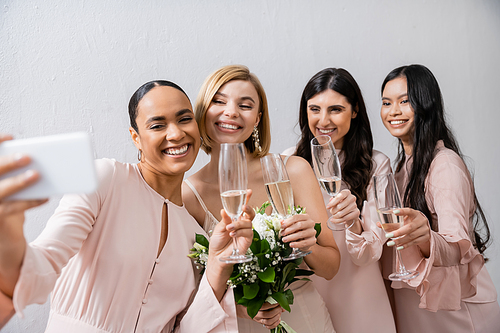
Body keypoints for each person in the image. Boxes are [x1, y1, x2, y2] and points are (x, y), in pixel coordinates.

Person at [0, 80, 255, 332]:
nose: (176, 134)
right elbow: (42, 266)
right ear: (136, 138)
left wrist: (218, 265)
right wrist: (8, 237)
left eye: (184, 119)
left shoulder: (195, 232)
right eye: (157, 125)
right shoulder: (105, 179)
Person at [182, 65, 339, 332]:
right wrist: (245, 308)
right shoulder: (189, 194)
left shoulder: (293, 170)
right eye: (219, 101)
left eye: (245, 105)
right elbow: (200, 288)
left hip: (305, 318)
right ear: (203, 111)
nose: (231, 112)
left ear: (257, 119)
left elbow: (331, 267)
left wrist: (309, 244)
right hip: (242, 324)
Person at [379, 64, 500, 333]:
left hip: (456, 312)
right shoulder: (400, 168)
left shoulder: (444, 164)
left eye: (404, 101)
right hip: (422, 309)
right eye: (386, 102)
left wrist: (425, 235)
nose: (393, 111)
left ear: (426, 104)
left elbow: (457, 247)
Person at [283, 68, 396, 333]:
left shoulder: (376, 165)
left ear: (354, 111)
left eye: (335, 109)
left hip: (360, 293)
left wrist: (354, 222)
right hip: (308, 290)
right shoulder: (290, 161)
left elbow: (370, 254)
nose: (323, 120)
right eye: (314, 109)